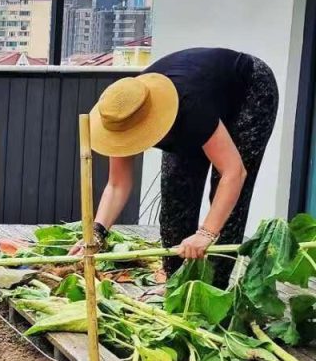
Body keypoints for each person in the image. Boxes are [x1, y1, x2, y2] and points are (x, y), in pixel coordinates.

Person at [72, 47, 278, 288]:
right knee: (175, 203)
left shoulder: (188, 108)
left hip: (249, 91)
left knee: (226, 209)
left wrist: (206, 234)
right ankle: (177, 287)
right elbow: (118, 184)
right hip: (201, 96)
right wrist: (97, 232)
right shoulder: (121, 113)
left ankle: (213, 292)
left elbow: (234, 172)